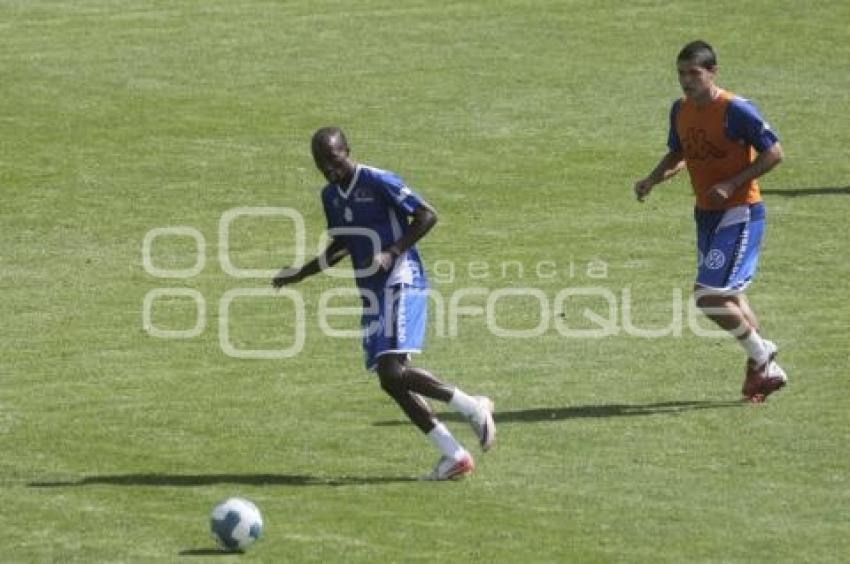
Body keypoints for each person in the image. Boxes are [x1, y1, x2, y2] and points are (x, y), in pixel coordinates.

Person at [272, 126, 495, 479]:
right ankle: (453, 455)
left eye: (333, 159)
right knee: (390, 380)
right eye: (320, 164)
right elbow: (341, 246)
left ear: (346, 150)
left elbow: (426, 215)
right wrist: (301, 273)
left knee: (393, 369)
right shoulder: (331, 196)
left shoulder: (378, 180)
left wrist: (392, 252)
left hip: (402, 278)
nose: (328, 168)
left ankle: (473, 406)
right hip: (373, 292)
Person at [633, 40, 787, 403]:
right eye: (682, 74)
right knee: (730, 296)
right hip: (706, 214)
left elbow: (774, 152)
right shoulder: (680, 110)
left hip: (741, 211)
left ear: (713, 73)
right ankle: (761, 365)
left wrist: (733, 182)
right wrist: (653, 179)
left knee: (708, 296)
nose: (687, 81)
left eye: (695, 74)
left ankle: (763, 355)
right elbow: (679, 151)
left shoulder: (736, 110)